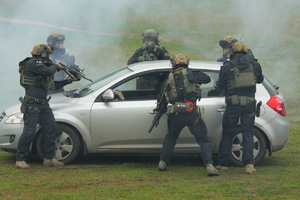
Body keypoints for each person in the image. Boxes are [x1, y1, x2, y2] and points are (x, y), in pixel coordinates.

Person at [16, 44, 81, 169]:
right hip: (32, 104)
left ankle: (49, 158)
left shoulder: (42, 67)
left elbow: (51, 86)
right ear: (43, 53)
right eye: (48, 54)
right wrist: (56, 65)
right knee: (29, 133)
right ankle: (20, 159)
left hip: (43, 104)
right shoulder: (33, 63)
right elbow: (49, 71)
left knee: (52, 130)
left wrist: (69, 80)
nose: (50, 56)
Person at [155, 54, 219, 176]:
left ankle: (163, 162)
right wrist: (192, 72)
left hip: (175, 115)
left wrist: (160, 110)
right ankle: (209, 165)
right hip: (192, 114)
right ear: (187, 63)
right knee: (203, 140)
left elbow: (161, 100)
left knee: (171, 138)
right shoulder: (193, 75)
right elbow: (207, 79)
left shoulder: (169, 79)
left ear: (173, 64)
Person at [215, 42, 264, 174]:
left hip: (233, 105)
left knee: (228, 133)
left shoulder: (228, 65)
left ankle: (223, 164)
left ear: (233, 52)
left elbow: (220, 84)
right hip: (249, 105)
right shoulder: (254, 64)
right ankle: (249, 165)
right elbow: (259, 80)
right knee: (248, 134)